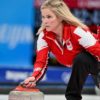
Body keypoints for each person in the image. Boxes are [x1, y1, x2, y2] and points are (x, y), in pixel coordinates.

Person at [22, 0, 100, 100]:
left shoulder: (77, 31)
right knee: (80, 59)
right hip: (85, 65)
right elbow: (41, 61)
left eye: (49, 17)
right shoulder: (44, 36)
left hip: (96, 61)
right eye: (43, 17)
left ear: (60, 17)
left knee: (81, 58)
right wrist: (34, 77)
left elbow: (98, 51)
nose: (45, 21)